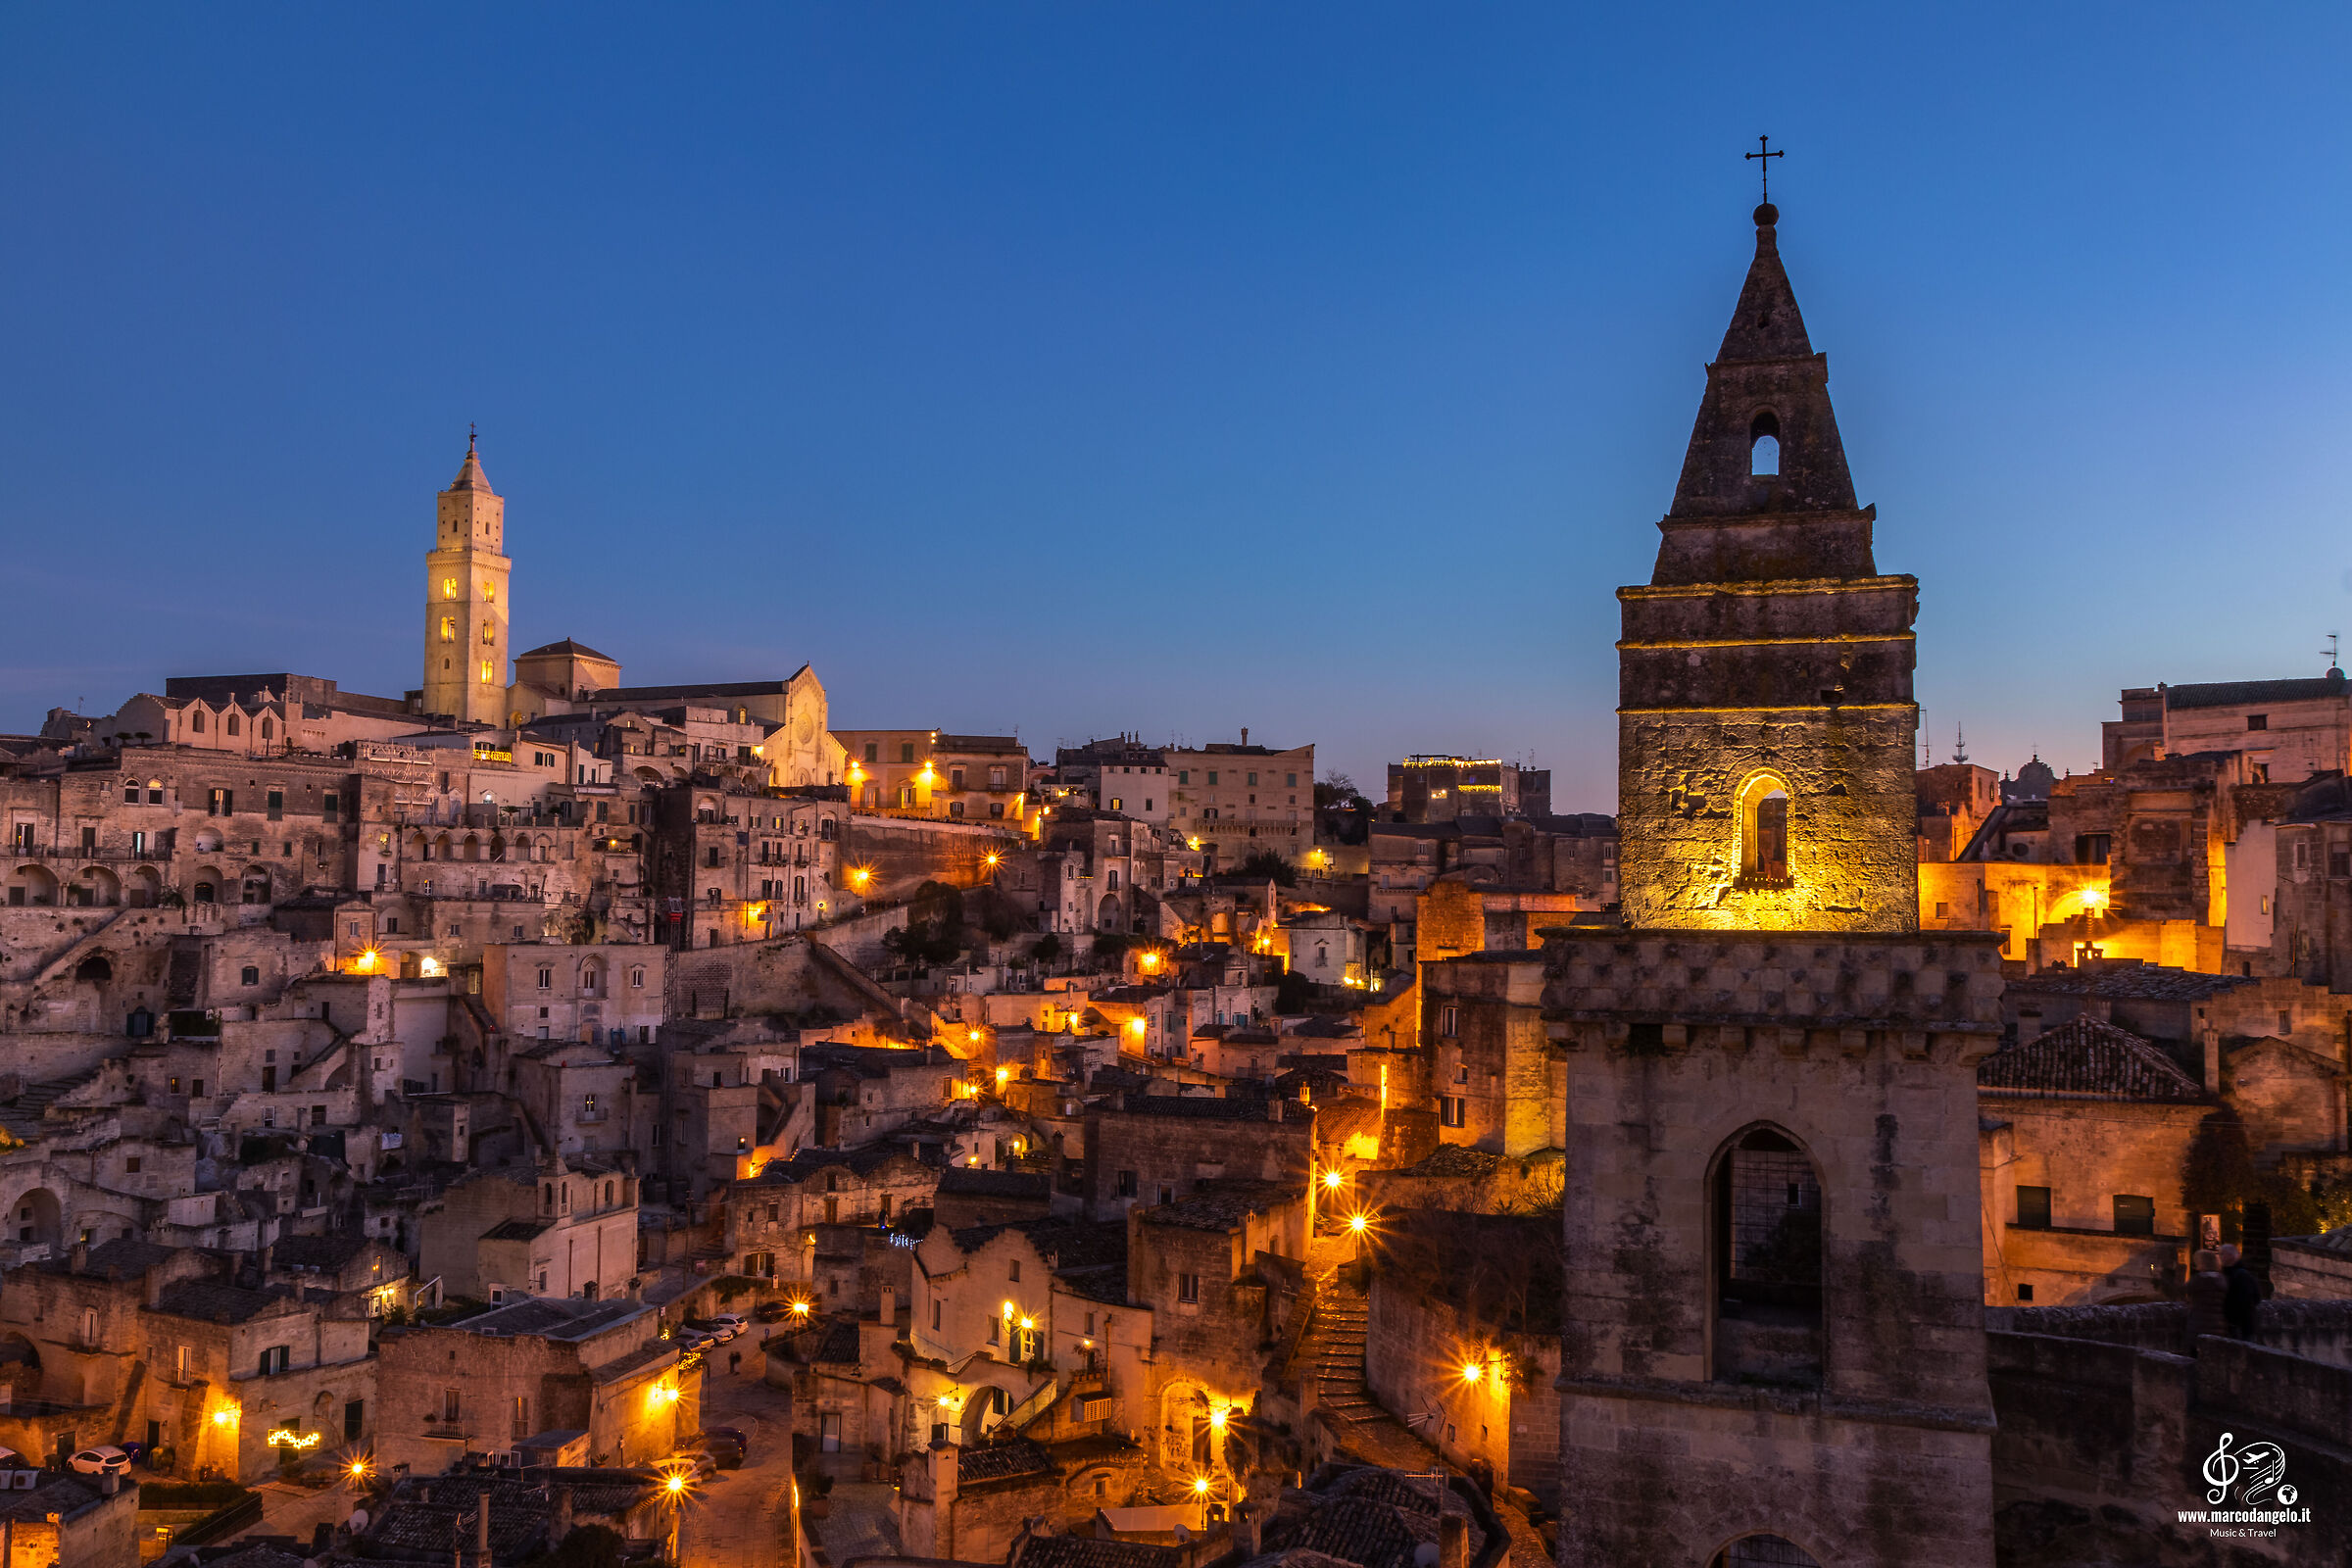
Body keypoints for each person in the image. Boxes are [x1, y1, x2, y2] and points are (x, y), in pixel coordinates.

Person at [2219, 1243, 2267, 1338]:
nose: (2220, 1257)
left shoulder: (2240, 1275)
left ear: (2230, 1256)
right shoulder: (2230, 1273)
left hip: (2240, 1327)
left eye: (2222, 1254)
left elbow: (2248, 1300)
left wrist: (2233, 1319)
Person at [2187, 1249, 2228, 1342]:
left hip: (2199, 1324)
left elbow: (2185, 1292)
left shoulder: (2199, 1280)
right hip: (2218, 1325)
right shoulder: (2222, 1279)